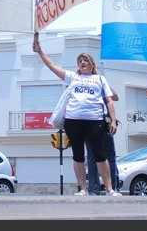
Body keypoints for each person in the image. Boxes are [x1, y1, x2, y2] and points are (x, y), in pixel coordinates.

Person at [33, 36, 121, 196]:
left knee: (101, 155)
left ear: (91, 64)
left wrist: (113, 120)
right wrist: (40, 51)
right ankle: (83, 189)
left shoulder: (100, 79)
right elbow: (52, 66)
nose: (82, 63)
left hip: (95, 121)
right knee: (78, 155)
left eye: (85, 60)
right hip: (73, 121)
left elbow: (110, 100)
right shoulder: (73, 77)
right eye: (80, 61)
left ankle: (109, 189)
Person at [85, 88, 119, 195]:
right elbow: (114, 97)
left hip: (100, 122)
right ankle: (98, 189)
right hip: (93, 121)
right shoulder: (96, 84)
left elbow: (115, 97)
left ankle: (107, 188)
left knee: (107, 156)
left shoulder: (98, 83)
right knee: (98, 156)